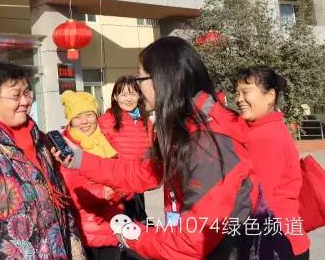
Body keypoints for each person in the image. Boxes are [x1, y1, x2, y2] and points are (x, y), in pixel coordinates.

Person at [53, 36, 276, 260]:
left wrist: (131, 235)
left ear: (161, 79)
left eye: (140, 78)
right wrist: (80, 160)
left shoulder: (208, 143)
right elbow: (142, 172)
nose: (138, 87)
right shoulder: (183, 128)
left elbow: (192, 242)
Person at [0, 62, 86, 259]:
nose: (25, 101)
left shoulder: (41, 141)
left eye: (27, 93)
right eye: (16, 96)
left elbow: (64, 209)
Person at [235, 66, 310, 259]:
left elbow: (257, 198)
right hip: (283, 238)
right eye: (237, 93)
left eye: (245, 92)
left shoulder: (264, 137)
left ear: (269, 96)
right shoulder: (268, 129)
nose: (239, 99)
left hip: (274, 244)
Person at [59, 90, 125, 260]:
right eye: (78, 117)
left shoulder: (107, 139)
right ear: (70, 120)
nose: (85, 122)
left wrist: (122, 189)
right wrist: (101, 192)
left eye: (89, 115)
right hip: (85, 227)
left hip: (112, 222)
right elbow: (70, 188)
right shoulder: (65, 146)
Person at [98, 76, 152, 223]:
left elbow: (150, 151)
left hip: (137, 185)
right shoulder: (106, 120)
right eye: (123, 94)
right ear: (115, 97)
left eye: (133, 94)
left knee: (140, 226)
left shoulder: (144, 120)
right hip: (117, 187)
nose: (129, 99)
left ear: (139, 96)